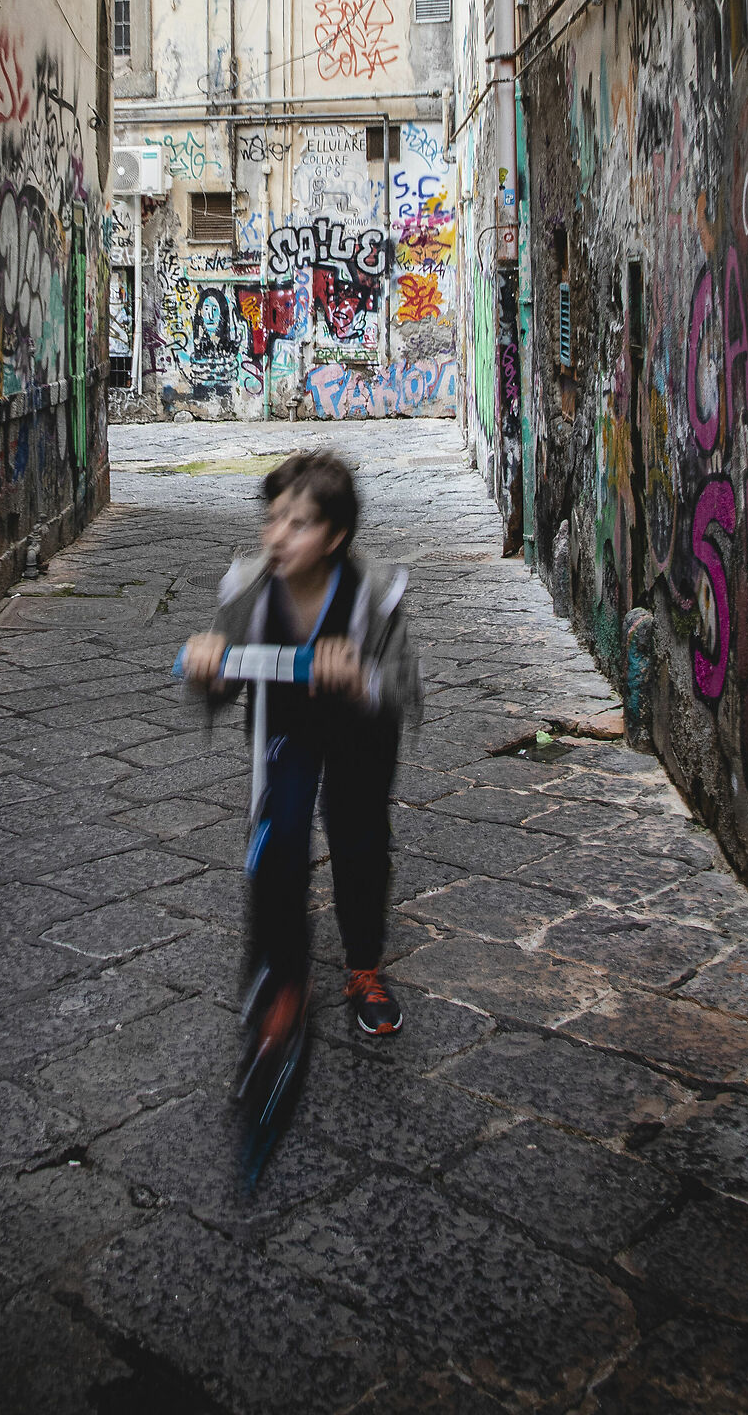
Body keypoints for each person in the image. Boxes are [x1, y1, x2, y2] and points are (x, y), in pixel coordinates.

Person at [181, 449, 422, 1054]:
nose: (278, 537)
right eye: (273, 520)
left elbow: (404, 686)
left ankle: (363, 966)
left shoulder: (374, 597)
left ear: (336, 535)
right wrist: (209, 668)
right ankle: (285, 972)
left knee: (359, 838)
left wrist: (361, 677)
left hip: (357, 733)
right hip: (286, 725)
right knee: (277, 837)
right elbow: (224, 672)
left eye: (300, 523)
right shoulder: (250, 592)